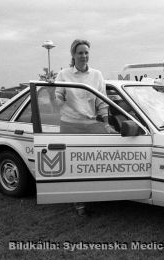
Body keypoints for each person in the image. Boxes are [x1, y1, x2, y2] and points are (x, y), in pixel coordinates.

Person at [53, 39, 115, 216]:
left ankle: (95, 194)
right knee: (72, 165)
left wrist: (106, 123)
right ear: (73, 55)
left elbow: (102, 101)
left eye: (86, 52)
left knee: (92, 163)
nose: (84, 56)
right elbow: (57, 98)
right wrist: (55, 92)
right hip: (69, 125)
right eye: (80, 52)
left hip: (90, 125)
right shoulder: (63, 74)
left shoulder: (97, 75)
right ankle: (78, 201)